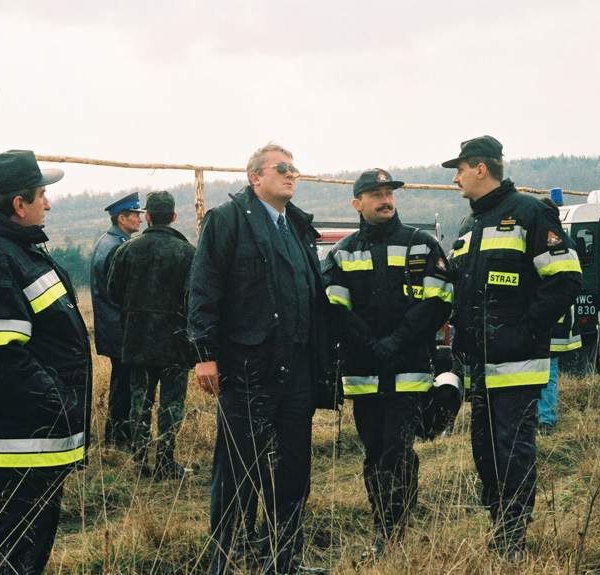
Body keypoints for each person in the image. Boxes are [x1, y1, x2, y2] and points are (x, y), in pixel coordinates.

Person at [189, 142, 330, 575]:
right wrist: (204, 354)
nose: (291, 174)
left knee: (292, 474)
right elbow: (203, 289)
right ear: (255, 178)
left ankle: (282, 561)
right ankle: (226, 563)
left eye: (294, 169)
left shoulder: (298, 227)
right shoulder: (228, 221)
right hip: (248, 369)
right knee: (236, 474)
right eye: (281, 168)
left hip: (297, 371)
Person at [0, 150, 91, 575]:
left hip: (31, 440)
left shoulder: (10, 247)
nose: (48, 204)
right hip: (21, 444)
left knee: (20, 555)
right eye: (42, 196)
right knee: (10, 560)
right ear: (18, 205)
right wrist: (60, 405)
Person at [444, 136, 582, 560]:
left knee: (513, 453)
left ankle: (513, 539)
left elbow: (565, 278)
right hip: (480, 367)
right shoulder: (470, 225)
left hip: (517, 364)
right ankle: (499, 528)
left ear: (481, 169)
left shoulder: (529, 212)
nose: (455, 178)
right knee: (485, 454)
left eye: (460, 169)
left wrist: (523, 334)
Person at [321, 168, 452, 558]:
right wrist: (371, 344)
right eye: (375, 193)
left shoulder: (421, 244)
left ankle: (390, 534)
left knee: (397, 451)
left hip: (408, 372)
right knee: (375, 454)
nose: (385, 199)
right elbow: (335, 308)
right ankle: (389, 520)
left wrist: (395, 341)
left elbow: (438, 301)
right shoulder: (343, 251)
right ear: (357, 203)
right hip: (364, 376)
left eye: (389, 192)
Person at [107, 191, 196, 478]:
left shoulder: (126, 250)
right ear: (173, 217)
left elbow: (113, 292)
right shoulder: (187, 252)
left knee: (139, 402)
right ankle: (166, 462)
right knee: (171, 404)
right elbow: (194, 299)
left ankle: (141, 463)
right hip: (176, 342)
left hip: (137, 340)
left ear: (147, 217)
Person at [90, 192, 145, 448]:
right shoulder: (119, 247)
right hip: (120, 327)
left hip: (111, 326)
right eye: (136, 215)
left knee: (120, 382)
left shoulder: (107, 241)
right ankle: (121, 439)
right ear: (122, 219)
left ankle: (116, 437)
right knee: (126, 384)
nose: (141, 220)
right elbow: (124, 293)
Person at [536, 197, 582, 436]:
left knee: (547, 370)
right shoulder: (565, 239)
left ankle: (545, 420)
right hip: (555, 318)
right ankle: (543, 417)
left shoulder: (553, 240)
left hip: (552, 319)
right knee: (546, 370)